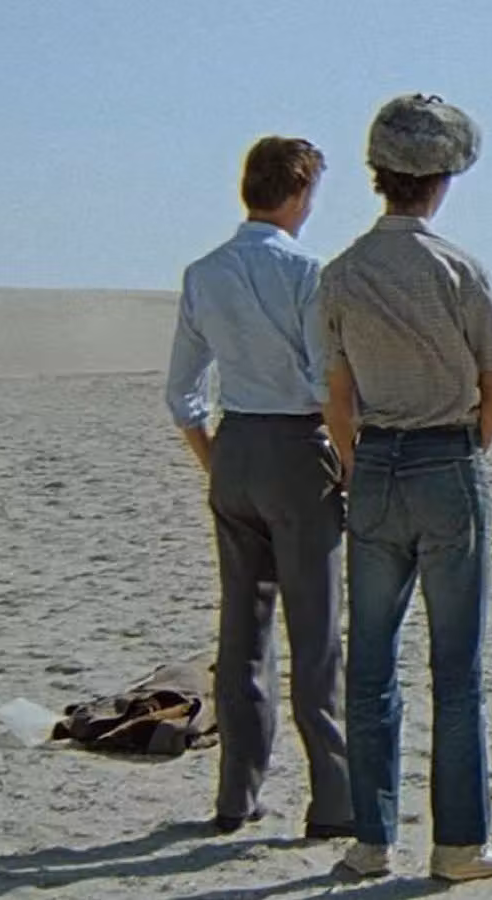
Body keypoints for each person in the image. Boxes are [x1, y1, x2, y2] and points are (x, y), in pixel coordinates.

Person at [317, 94, 492, 883]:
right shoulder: (459, 269)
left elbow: (337, 395)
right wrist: (465, 454)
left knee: (371, 661)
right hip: (446, 458)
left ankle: (371, 839)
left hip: (375, 462)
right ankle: (459, 843)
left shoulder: (342, 273)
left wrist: (356, 460)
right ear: (440, 180)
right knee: (455, 668)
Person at [162, 136, 353, 839]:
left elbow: (182, 392)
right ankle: (333, 799)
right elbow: (323, 380)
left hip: (235, 443)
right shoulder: (307, 271)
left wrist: (213, 460)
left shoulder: (203, 272)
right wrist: (350, 460)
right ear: (298, 193)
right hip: (296, 446)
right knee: (315, 633)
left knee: (242, 629)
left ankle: (235, 794)